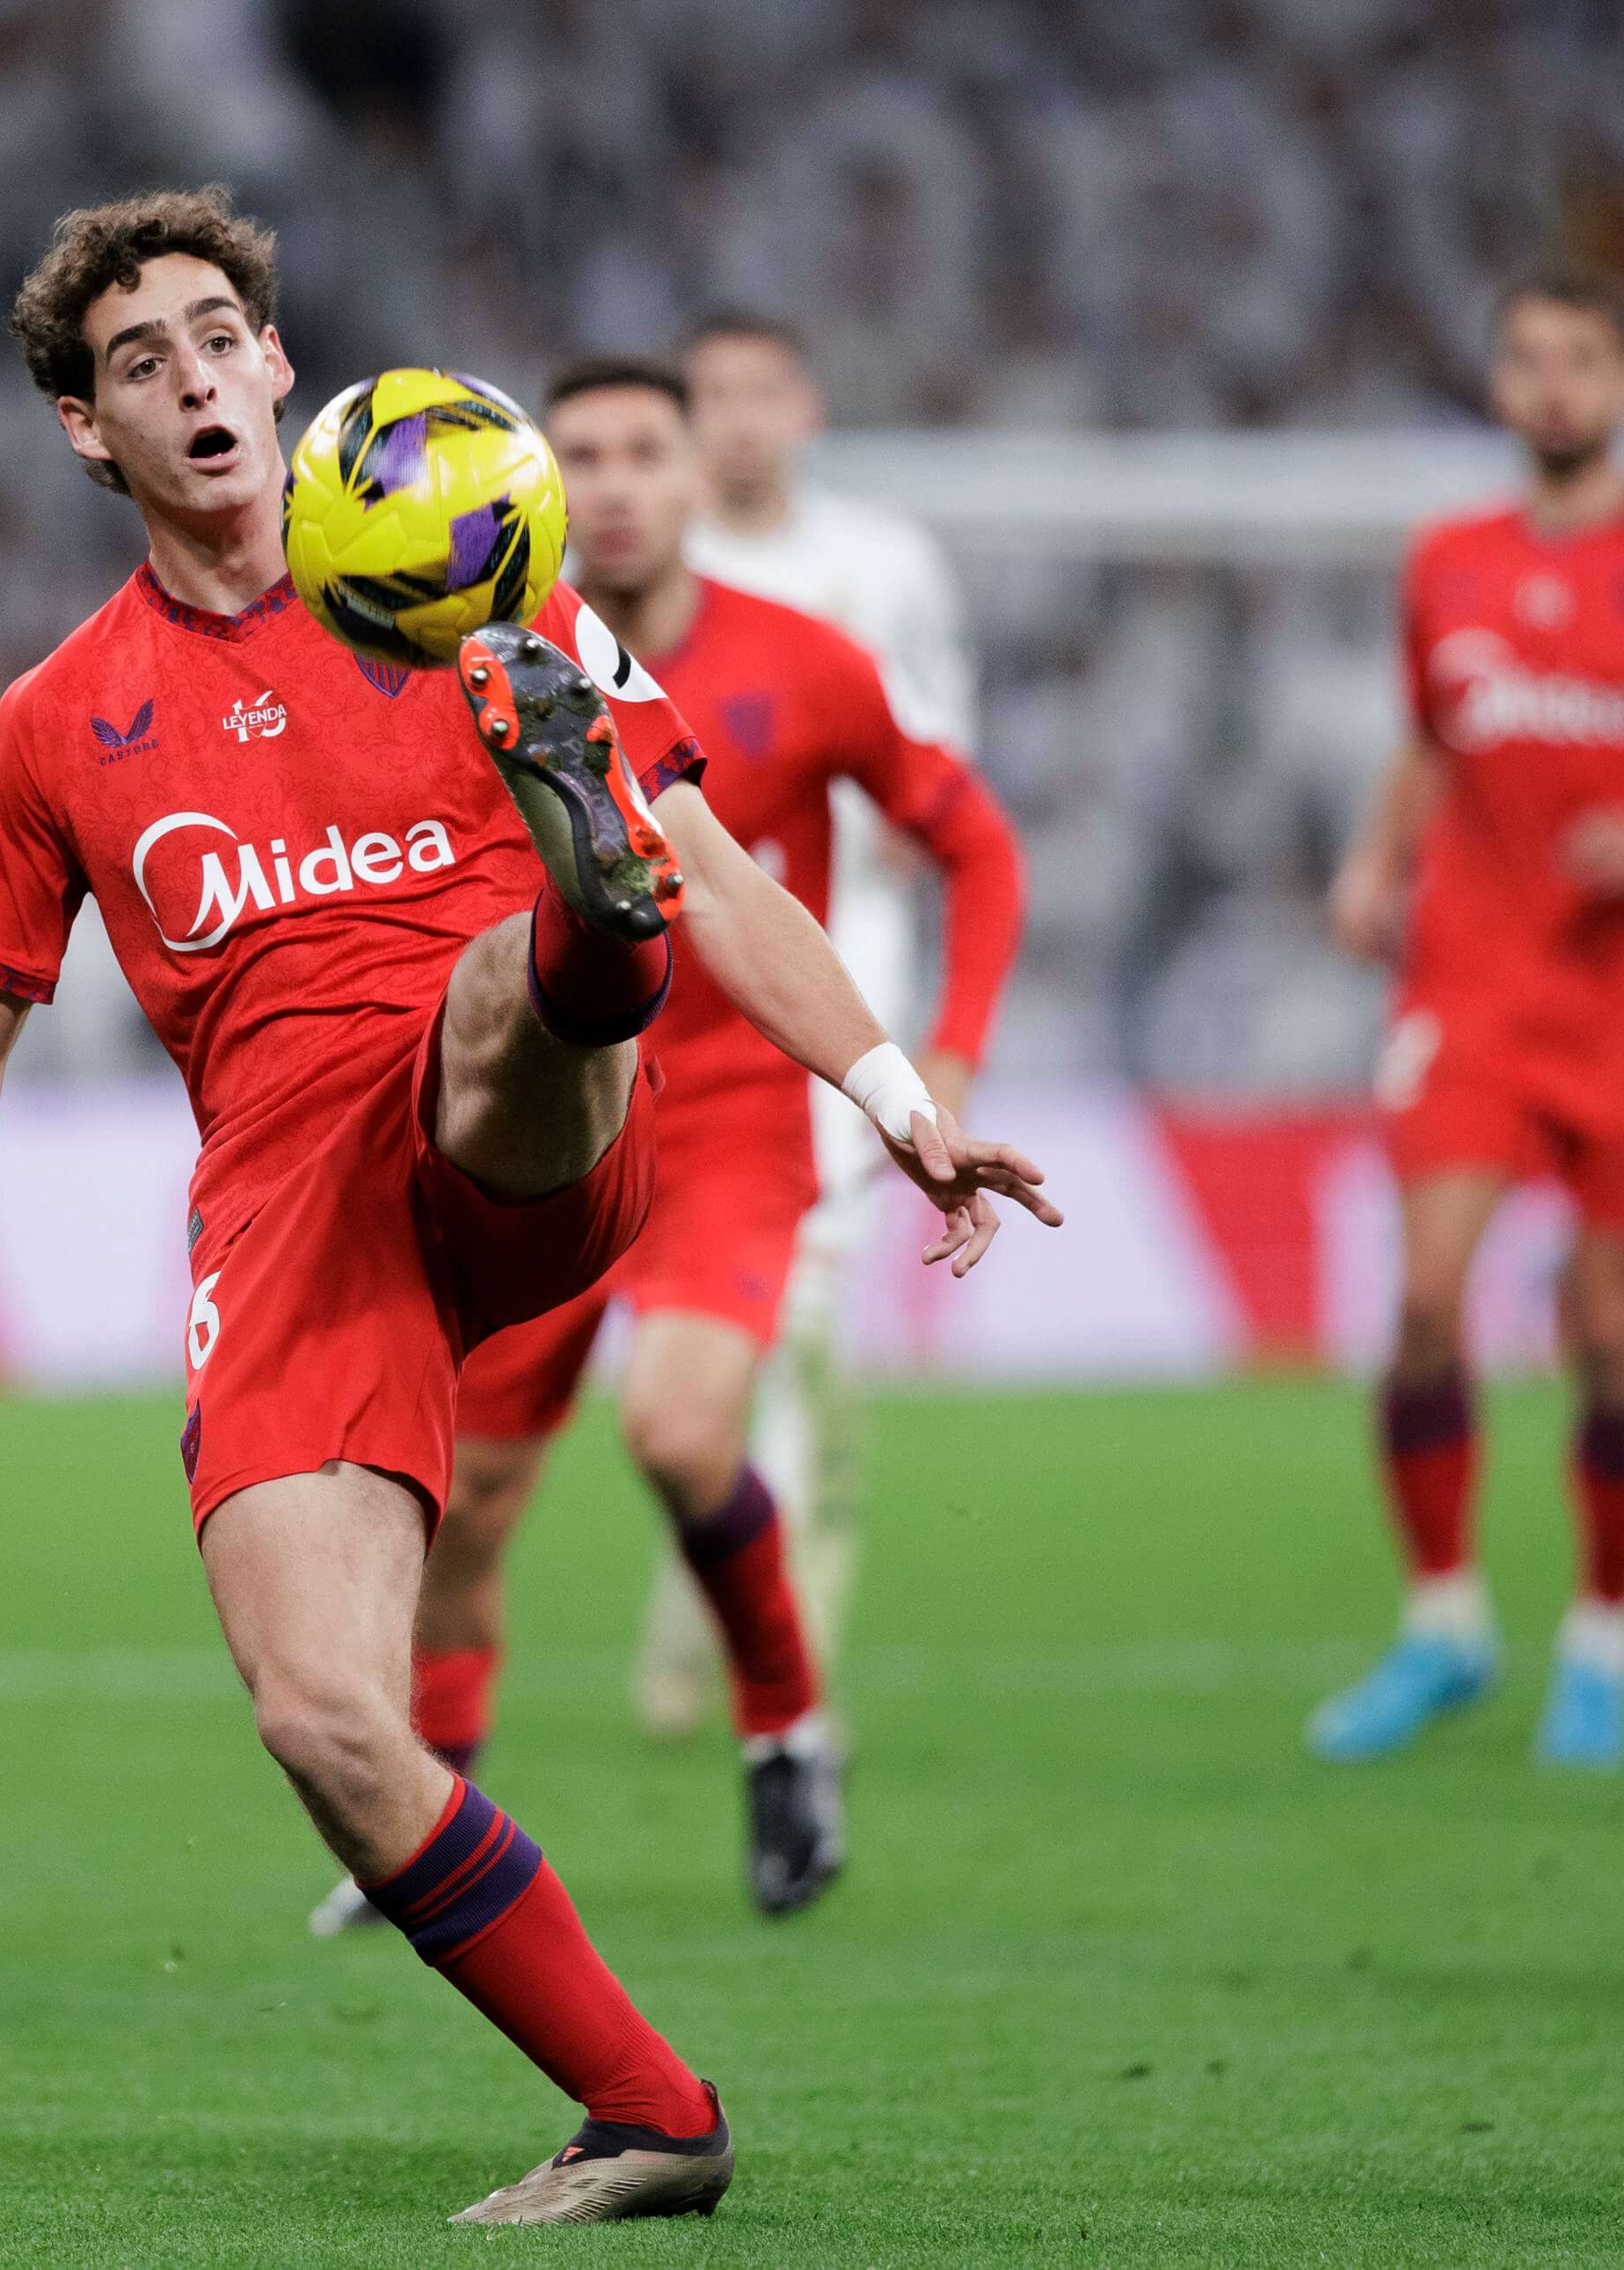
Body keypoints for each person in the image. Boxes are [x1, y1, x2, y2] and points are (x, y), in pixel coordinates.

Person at [0, 188, 1056, 2226]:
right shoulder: (59, 723)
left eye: (222, 336)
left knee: (522, 974)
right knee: (321, 1715)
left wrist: (895, 1095)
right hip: (288, 1208)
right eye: (143, 362)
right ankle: (651, 2113)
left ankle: (582, 909)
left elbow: (728, 867)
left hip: (523, 1117)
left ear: (281, 364)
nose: (198, 378)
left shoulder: (486, 581)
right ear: (83, 428)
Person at [303, 357, 1023, 1938]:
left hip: (733, 1116)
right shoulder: (437, 652)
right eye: (590, 454)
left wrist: (926, 1075)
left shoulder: (811, 665)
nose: (619, 483)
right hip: (557, 1110)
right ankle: (432, 1797)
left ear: (699, 480)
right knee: (471, 1494)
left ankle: (787, 1734)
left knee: (685, 1429)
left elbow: (957, 839)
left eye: (648, 452)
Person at [1311, 267, 1624, 1771]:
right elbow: (1431, 738)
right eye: (1525, 358)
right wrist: (1377, 856)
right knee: (1421, 1306)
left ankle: (1602, 1640)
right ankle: (1446, 1621)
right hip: (1472, 980)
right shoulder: (1447, 559)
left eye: (1580, 361)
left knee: (1606, 1333)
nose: (1549, 387)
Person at [621, 310, 988, 1734]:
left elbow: (939, 776)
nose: (741, 420)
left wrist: (937, 1038)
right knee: (689, 1340)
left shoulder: (882, 569)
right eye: (712, 395)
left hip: (834, 972)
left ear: (809, 408)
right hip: (666, 993)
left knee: (805, 1305)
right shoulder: (631, 587)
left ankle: (786, 1608)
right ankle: (712, 1575)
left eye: (765, 391)